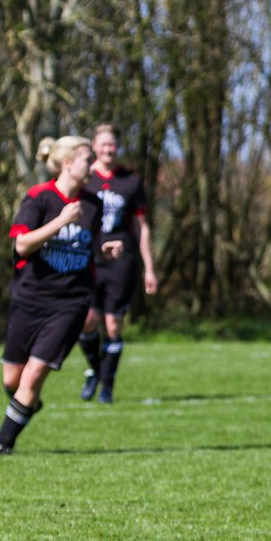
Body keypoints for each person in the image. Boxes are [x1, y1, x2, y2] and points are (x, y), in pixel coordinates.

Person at [0, 136, 124, 454]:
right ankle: (25, 407)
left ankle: (3, 442)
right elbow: (21, 245)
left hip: (71, 302)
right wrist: (61, 221)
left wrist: (106, 251)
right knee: (13, 380)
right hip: (30, 298)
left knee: (35, 374)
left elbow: (88, 247)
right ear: (67, 163)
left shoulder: (92, 204)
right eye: (85, 159)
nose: (92, 165)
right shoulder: (39, 199)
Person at [77, 123, 158, 404]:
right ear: (94, 146)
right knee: (87, 319)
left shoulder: (130, 181)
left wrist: (149, 268)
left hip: (121, 262)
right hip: (89, 258)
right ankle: (96, 370)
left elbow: (142, 227)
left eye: (112, 144)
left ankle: (107, 387)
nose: (108, 149)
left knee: (113, 325)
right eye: (103, 144)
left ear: (117, 147)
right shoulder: (85, 179)